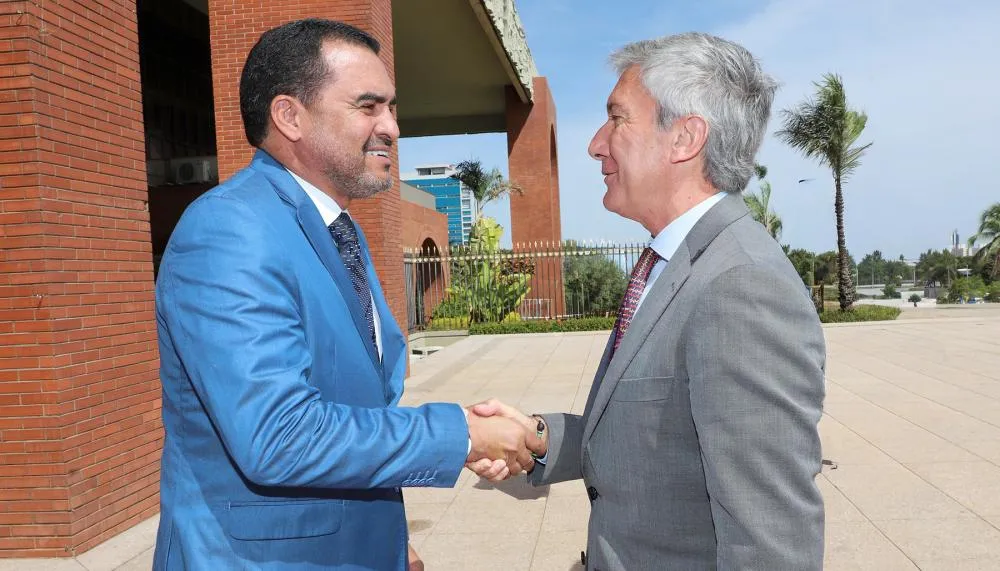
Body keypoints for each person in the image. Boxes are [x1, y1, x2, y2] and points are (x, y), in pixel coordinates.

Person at [153, 18, 533, 571]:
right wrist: (462, 434)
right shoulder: (230, 230)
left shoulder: (337, 230)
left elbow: (358, 405)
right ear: (290, 116)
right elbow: (280, 435)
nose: (392, 128)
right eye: (368, 106)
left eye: (392, 107)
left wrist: (384, 537)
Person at [474, 32, 826, 570]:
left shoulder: (740, 285)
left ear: (684, 138)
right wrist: (540, 438)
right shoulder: (677, 265)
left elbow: (771, 537)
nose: (596, 143)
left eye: (617, 119)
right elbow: (657, 440)